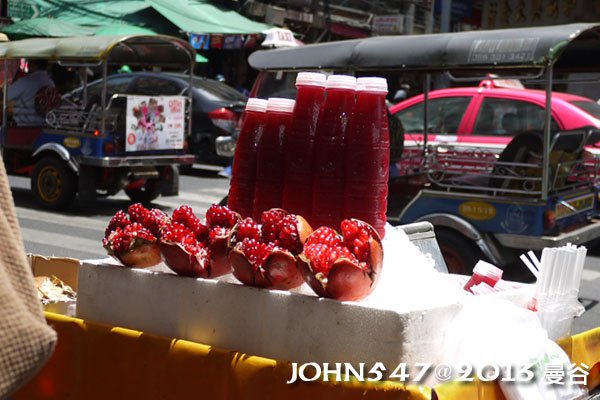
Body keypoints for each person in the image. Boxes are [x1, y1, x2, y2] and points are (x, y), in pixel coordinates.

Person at [7, 59, 55, 126]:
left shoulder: (25, 81)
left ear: (32, 64)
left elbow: (5, 96)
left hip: (24, 125)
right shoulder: (50, 83)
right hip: (44, 125)